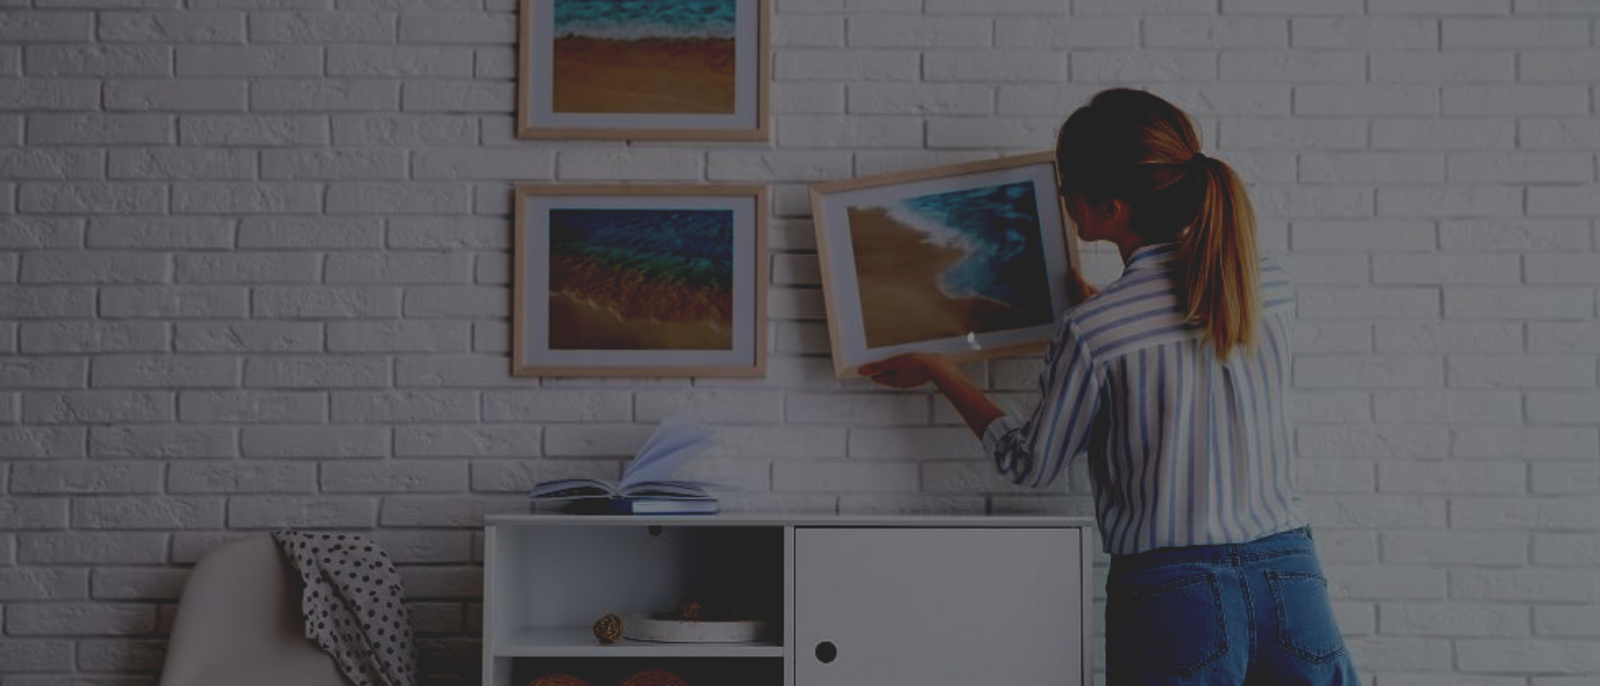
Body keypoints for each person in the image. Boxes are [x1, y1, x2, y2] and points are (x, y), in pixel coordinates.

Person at [859, 88, 1361, 685]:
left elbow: (1030, 464)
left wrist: (942, 369)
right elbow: (1187, 354)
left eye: (1066, 184)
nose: (1063, 196)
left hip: (1175, 596)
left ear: (1110, 211)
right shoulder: (1268, 289)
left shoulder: (1097, 332)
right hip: (1291, 575)